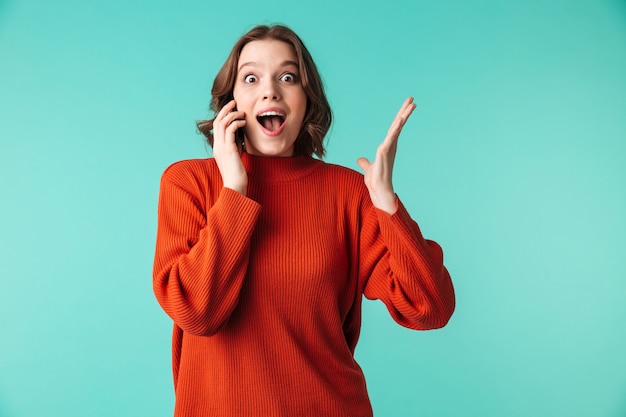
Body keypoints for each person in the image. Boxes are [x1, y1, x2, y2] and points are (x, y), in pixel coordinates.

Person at [152, 24, 455, 417]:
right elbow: (197, 311)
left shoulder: (348, 193)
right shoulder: (188, 183)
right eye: (251, 77)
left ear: (307, 100)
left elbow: (430, 307)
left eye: (288, 77)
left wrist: (386, 202)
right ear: (231, 102)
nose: (270, 90)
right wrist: (234, 192)